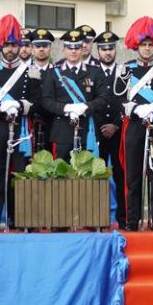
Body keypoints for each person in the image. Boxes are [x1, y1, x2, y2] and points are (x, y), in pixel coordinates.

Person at [0, 16, 42, 231]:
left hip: (22, 127)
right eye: (7, 45)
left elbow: (37, 102)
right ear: (1, 46)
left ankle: (21, 217)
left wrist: (21, 106)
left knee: (22, 172)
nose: (11, 49)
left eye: (15, 45)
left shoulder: (30, 72)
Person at [116, 17, 153, 231]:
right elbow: (117, 97)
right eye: (143, 45)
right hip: (133, 125)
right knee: (132, 175)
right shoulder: (126, 69)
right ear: (136, 46)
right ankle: (132, 221)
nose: (147, 49)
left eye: (150, 45)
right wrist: (133, 108)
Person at [41, 28, 108, 162]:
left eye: (77, 47)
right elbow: (46, 101)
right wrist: (66, 108)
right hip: (62, 132)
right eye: (69, 47)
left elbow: (103, 98)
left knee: (88, 176)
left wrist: (86, 107)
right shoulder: (53, 73)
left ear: (82, 49)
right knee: (62, 176)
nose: (73, 51)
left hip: (87, 131)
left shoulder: (95, 72)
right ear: (64, 49)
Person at [93, 30, 126, 226]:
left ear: (116, 49)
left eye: (111, 48)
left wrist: (115, 124)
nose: (107, 52)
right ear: (98, 50)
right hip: (96, 133)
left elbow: (128, 101)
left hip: (118, 132)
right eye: (104, 49)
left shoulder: (124, 73)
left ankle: (122, 218)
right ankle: (97, 218)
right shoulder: (91, 72)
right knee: (96, 176)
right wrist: (101, 127)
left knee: (121, 176)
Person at [27, 28, 55, 152]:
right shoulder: (24, 72)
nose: (41, 49)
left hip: (53, 124)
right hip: (30, 123)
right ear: (32, 49)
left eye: (45, 46)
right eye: (38, 46)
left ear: (50, 48)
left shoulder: (58, 72)